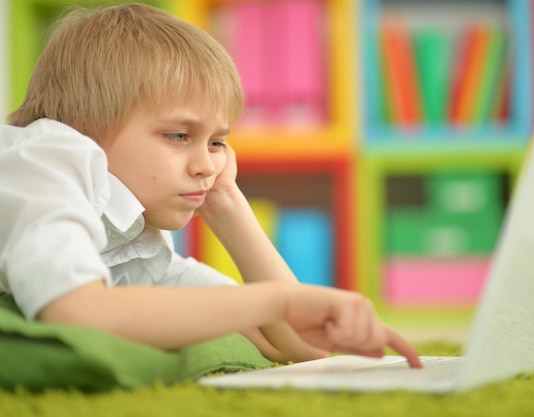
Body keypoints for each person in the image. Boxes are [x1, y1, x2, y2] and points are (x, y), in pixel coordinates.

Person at [0, 2, 421, 368]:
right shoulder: (46, 160)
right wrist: (280, 302)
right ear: (84, 131)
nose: (207, 165)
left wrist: (226, 202)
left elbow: (300, 345)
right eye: (179, 136)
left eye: (218, 142)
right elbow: (77, 311)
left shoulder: (135, 240)